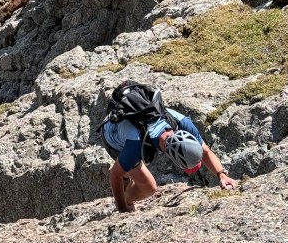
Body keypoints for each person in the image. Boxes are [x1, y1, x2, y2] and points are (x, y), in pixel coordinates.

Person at [100, 90, 239, 213]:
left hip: (127, 125)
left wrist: (221, 174)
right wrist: (122, 207)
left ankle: (125, 169)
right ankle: (127, 196)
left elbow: (206, 152)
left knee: (128, 165)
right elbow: (114, 175)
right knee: (148, 187)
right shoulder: (135, 145)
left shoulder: (182, 123)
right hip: (112, 136)